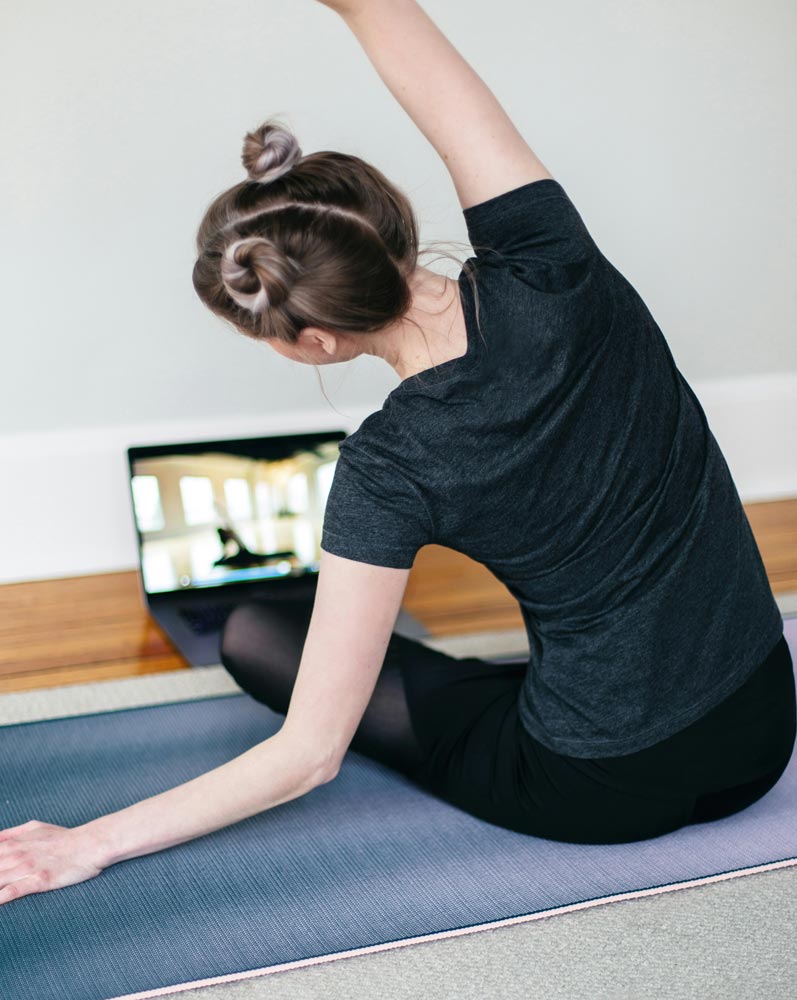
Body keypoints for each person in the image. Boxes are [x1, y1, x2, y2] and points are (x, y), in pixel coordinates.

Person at [1, 0, 794, 905]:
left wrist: (85, 845)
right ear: (392, 224)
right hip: (764, 730)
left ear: (313, 344)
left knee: (260, 634)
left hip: (596, 787)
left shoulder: (390, 466)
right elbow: (400, 31)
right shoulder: (551, 258)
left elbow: (308, 757)